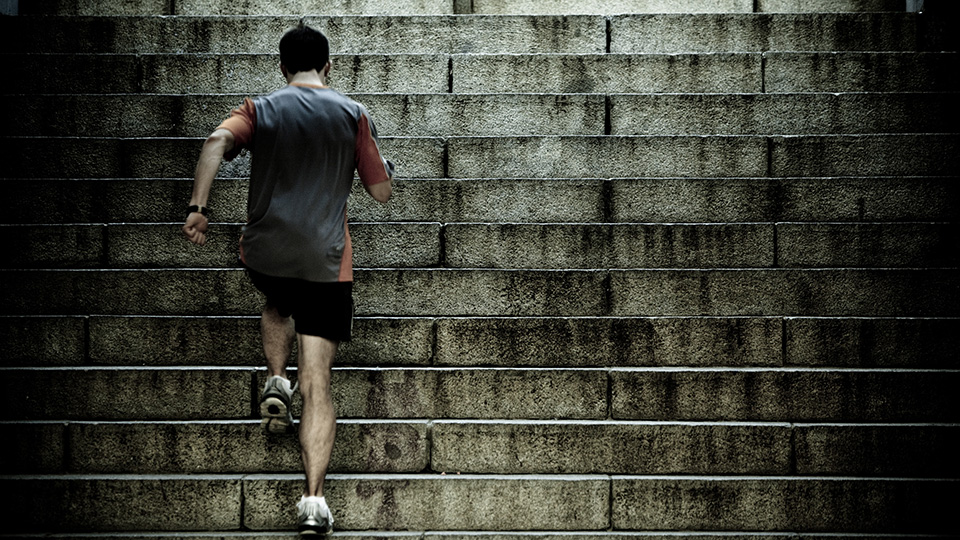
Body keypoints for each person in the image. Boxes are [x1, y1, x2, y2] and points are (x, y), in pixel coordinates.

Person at [182, 24, 394, 536]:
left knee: (277, 298)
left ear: (283, 67)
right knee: (318, 384)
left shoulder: (260, 108)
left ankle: (276, 379)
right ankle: (313, 502)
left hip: (268, 250)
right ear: (328, 66)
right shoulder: (352, 114)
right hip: (324, 261)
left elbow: (215, 141)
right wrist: (385, 166)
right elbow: (382, 192)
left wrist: (199, 208)